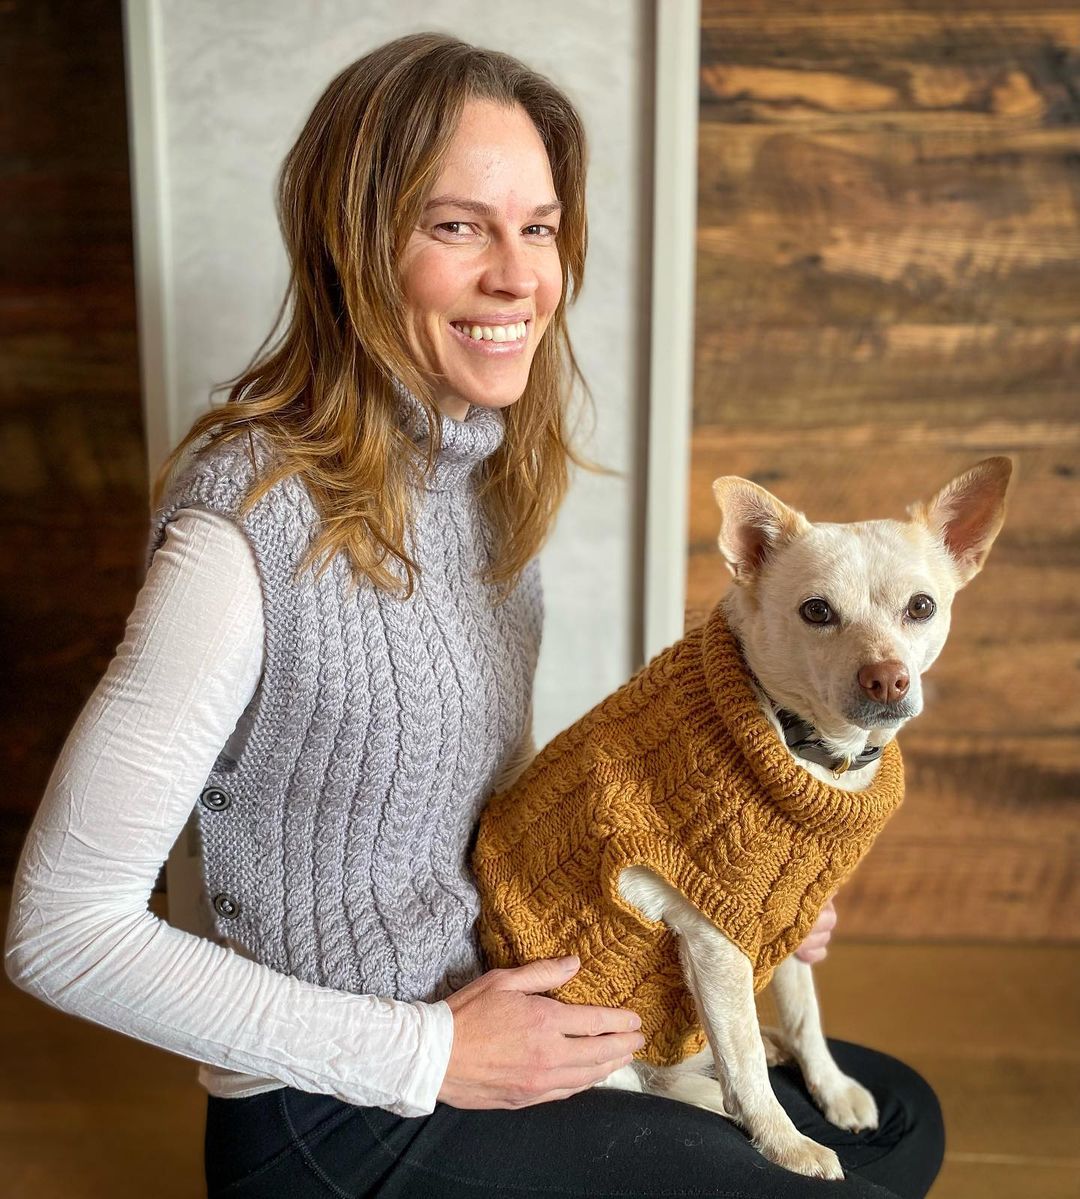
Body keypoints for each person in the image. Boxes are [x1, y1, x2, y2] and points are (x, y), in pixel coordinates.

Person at [4, 33, 944, 1199]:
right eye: (458, 226)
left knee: (898, 1121)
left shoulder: (484, 484)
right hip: (333, 1113)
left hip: (497, 991)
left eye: (538, 228)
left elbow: (484, 814)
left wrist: (734, 889)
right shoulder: (241, 532)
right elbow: (59, 927)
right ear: (355, 245)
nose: (516, 276)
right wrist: (432, 1051)